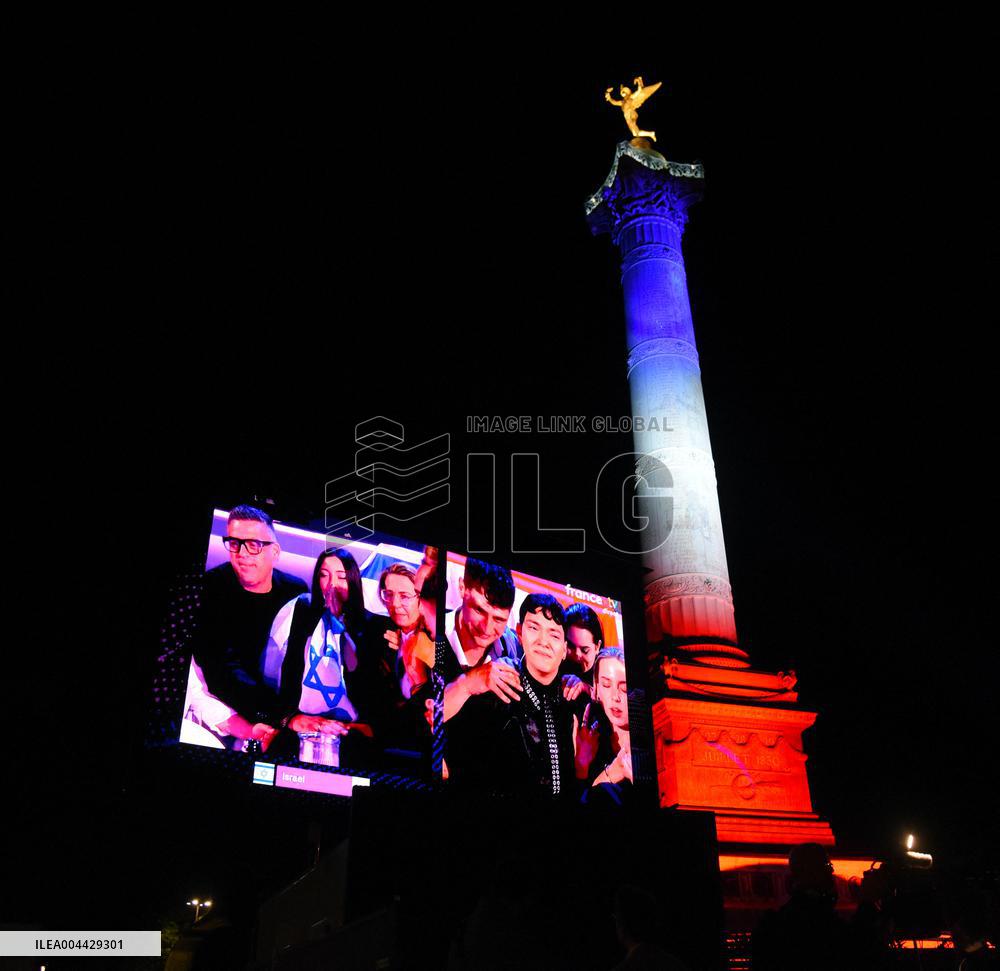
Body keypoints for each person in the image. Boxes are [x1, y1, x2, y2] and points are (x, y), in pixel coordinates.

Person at [187, 504, 306, 751]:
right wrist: (278, 717)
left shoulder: (296, 591)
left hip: (286, 712)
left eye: (253, 545)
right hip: (228, 714)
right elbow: (221, 672)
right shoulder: (209, 589)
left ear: (275, 552)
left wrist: (290, 716)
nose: (242, 554)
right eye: (234, 543)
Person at [445, 593, 578, 798]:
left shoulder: (572, 700)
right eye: (534, 628)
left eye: (554, 635)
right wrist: (467, 683)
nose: (543, 641)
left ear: (564, 649)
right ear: (520, 633)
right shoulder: (497, 683)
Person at [261, 548, 362, 760]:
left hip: (348, 727)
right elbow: (284, 669)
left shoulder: (366, 624)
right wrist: (288, 718)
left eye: (341, 577)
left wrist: (338, 623)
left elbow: (359, 671)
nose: (332, 584)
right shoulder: (302, 609)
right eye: (324, 575)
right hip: (302, 720)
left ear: (353, 580)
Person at [441, 558, 522, 721]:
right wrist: (468, 683)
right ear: (462, 587)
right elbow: (423, 717)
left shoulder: (512, 645)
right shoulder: (434, 633)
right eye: (479, 610)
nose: (486, 628)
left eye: (499, 619)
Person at [575, 647, 633, 790]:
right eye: (606, 685)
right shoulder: (590, 738)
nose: (615, 697)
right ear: (597, 689)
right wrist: (581, 766)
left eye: (624, 688)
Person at [560, 602, 605, 702]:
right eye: (571, 646)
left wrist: (587, 689)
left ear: (597, 647)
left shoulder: (607, 672)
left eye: (585, 650)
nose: (577, 654)